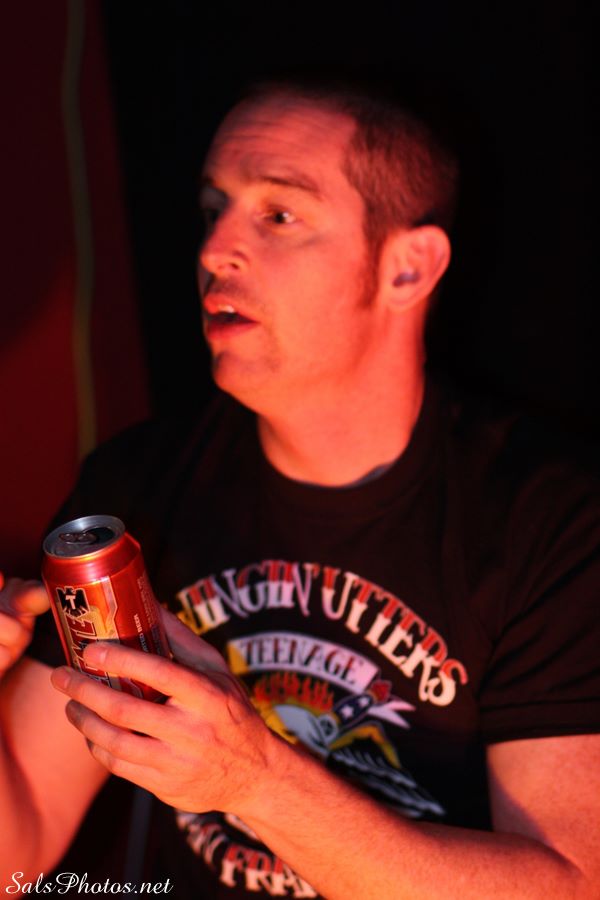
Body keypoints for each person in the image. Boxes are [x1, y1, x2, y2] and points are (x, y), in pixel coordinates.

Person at [1, 78, 599, 899]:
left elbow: (571, 885)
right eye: (214, 208)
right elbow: (17, 849)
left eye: (279, 215)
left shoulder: (553, 518)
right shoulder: (137, 484)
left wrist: (256, 782)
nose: (215, 249)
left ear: (408, 268)